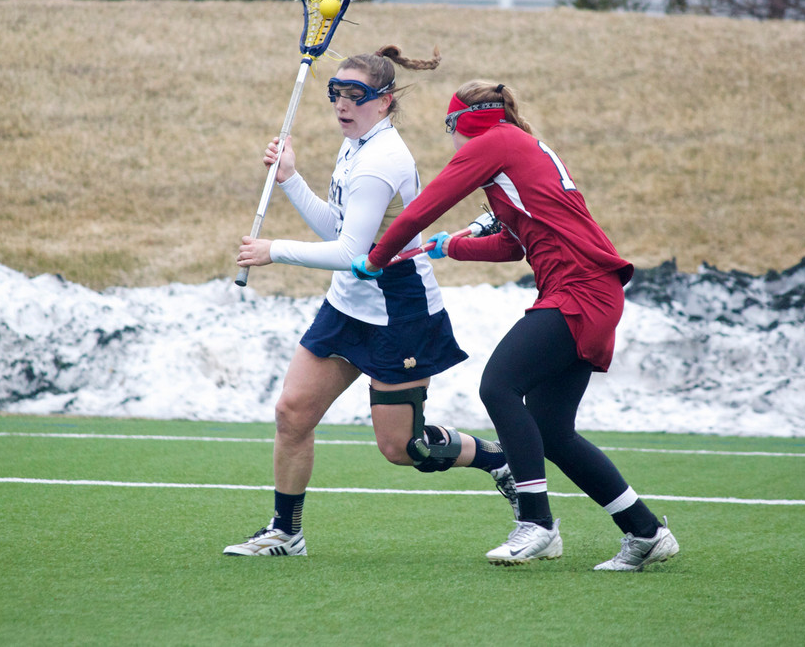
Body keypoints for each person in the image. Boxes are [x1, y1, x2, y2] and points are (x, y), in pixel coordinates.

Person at [352, 80, 679, 571]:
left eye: (450, 127)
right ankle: (645, 530)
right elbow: (514, 243)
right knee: (552, 431)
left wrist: (376, 257)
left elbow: (425, 207)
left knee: (500, 386)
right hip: (587, 290)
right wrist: (451, 247)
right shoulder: (519, 148)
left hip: (579, 290)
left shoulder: (495, 142)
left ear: (465, 121)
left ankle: (537, 524)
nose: (453, 139)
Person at [223, 50, 519, 558]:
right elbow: (341, 230)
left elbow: (353, 252)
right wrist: (291, 178)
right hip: (348, 305)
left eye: (355, 95)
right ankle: (285, 532)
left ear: (383, 103)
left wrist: (274, 251)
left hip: (398, 311)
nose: (342, 103)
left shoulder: (381, 162)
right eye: (336, 91)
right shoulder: (355, 145)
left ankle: (499, 461)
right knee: (292, 414)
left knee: (405, 448)